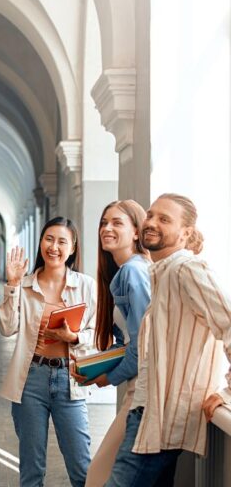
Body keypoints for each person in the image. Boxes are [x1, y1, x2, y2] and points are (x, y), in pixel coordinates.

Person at [105, 194, 231, 487]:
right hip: (149, 415)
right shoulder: (161, 272)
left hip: (159, 421)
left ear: (186, 233)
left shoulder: (188, 270)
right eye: (150, 215)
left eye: (164, 219)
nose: (151, 223)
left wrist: (227, 392)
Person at [0, 217, 96, 487]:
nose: (54, 247)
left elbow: (98, 337)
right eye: (49, 239)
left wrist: (73, 337)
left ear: (73, 248)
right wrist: (13, 285)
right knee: (31, 469)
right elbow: (7, 328)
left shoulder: (86, 286)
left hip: (70, 381)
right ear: (40, 242)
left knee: (81, 466)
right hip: (31, 380)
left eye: (62, 241)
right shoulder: (26, 285)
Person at [76, 200, 150, 487]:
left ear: (136, 231)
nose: (106, 228)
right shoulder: (121, 273)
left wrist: (110, 377)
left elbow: (142, 342)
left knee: (98, 476)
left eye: (117, 222)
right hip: (137, 384)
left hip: (143, 386)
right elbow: (127, 340)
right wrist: (96, 367)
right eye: (104, 222)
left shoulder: (133, 271)